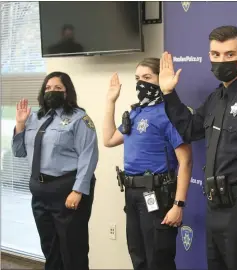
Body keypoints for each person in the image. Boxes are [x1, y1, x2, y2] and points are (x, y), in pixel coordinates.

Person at [159, 25, 237, 270]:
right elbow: (190, 129)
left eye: (229, 55)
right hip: (214, 205)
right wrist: (168, 93)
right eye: (215, 55)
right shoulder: (216, 98)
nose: (222, 61)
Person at [103, 58, 192, 270]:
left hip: (156, 194)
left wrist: (178, 205)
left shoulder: (170, 114)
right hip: (132, 194)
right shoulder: (135, 112)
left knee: (157, 260)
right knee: (138, 256)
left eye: (147, 78)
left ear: (160, 80)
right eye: (137, 78)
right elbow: (108, 140)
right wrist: (110, 102)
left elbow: (186, 161)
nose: (141, 83)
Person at [12, 71, 98, 270]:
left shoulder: (79, 119)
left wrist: (78, 191)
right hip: (40, 192)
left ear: (67, 93)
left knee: (72, 250)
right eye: (48, 88)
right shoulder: (33, 118)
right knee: (49, 248)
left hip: (66, 191)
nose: (52, 91)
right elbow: (18, 152)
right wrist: (20, 124)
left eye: (58, 88)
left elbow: (89, 155)